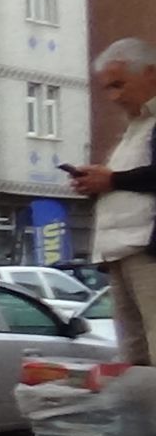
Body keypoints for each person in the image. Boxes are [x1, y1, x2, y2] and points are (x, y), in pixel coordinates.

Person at [72, 37, 156, 366]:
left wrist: (113, 180)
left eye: (119, 85)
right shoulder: (137, 126)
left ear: (150, 73)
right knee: (134, 354)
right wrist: (99, 184)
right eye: (108, 88)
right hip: (121, 251)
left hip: (146, 250)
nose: (114, 97)